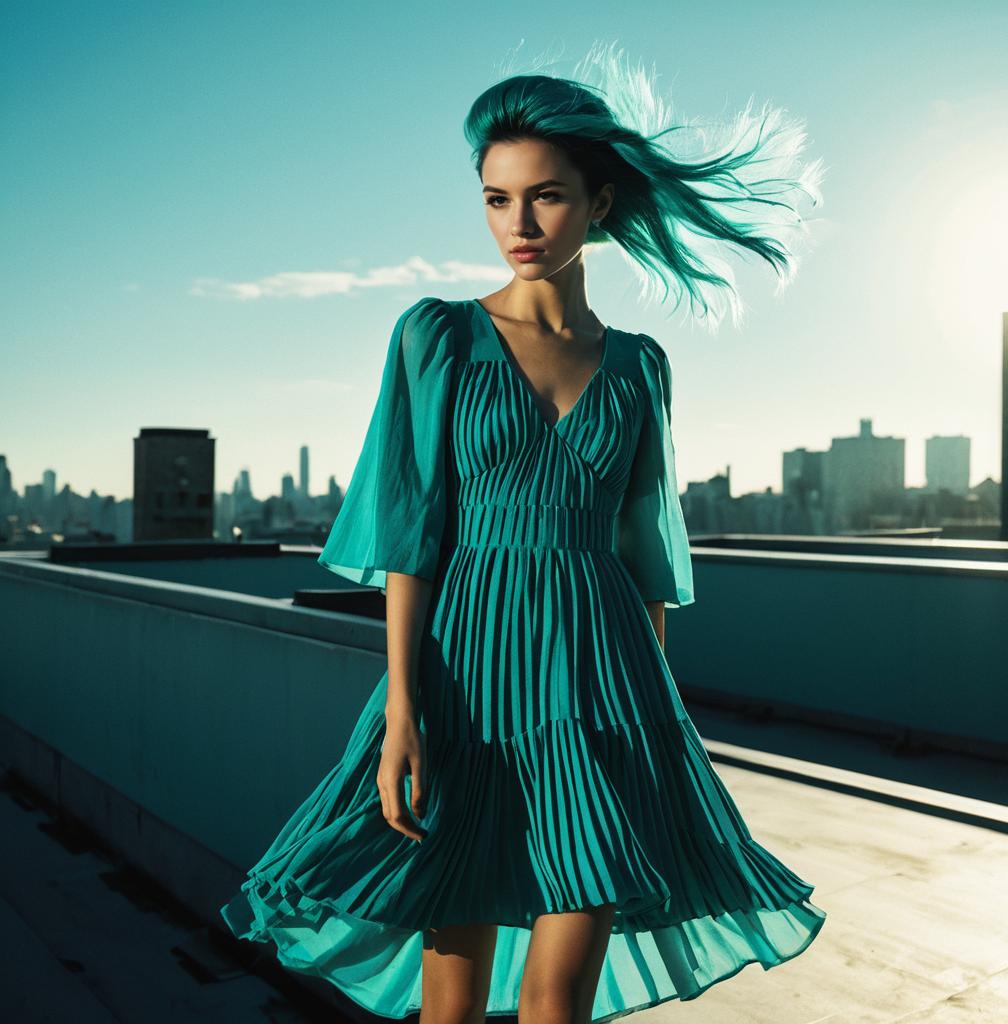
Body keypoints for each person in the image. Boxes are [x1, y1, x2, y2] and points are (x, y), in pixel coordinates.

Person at [220, 43, 827, 1024]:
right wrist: (404, 712)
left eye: (544, 195)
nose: (519, 222)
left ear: (599, 201)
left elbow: (645, 553)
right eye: (497, 198)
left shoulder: (639, 366)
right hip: (466, 674)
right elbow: (410, 542)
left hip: (606, 685)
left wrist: (654, 726)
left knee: (557, 1003)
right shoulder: (437, 337)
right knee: (449, 1003)